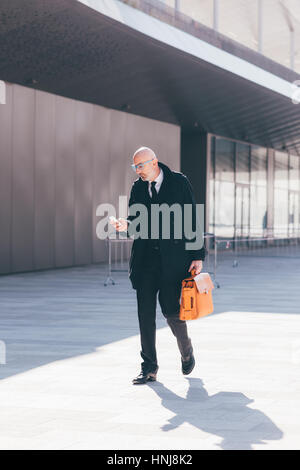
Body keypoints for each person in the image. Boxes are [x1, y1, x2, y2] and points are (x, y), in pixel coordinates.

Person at [110, 147, 205, 384]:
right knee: (145, 314)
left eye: (140, 166)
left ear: (154, 163)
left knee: (171, 312)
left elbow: (192, 217)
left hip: (173, 260)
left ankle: (186, 350)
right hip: (145, 261)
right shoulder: (138, 187)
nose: (137, 171)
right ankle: (149, 367)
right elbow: (136, 222)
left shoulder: (179, 182)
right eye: (135, 167)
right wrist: (126, 226)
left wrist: (197, 255)